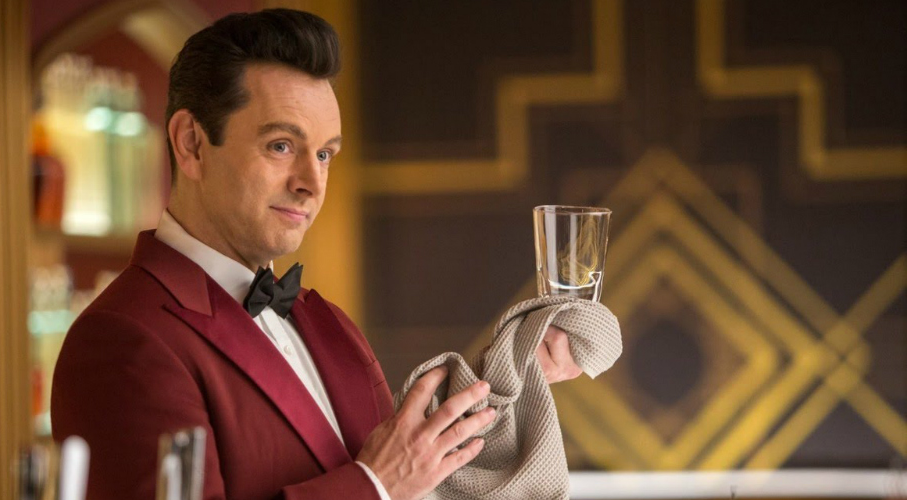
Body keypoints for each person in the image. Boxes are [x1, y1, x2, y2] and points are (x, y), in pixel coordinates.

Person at [51, 9, 582, 500]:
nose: (311, 182)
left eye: (325, 153)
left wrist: (510, 376)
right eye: (281, 145)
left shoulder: (327, 322)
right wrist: (372, 487)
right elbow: (387, 479)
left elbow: (412, 476)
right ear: (191, 143)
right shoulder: (121, 338)